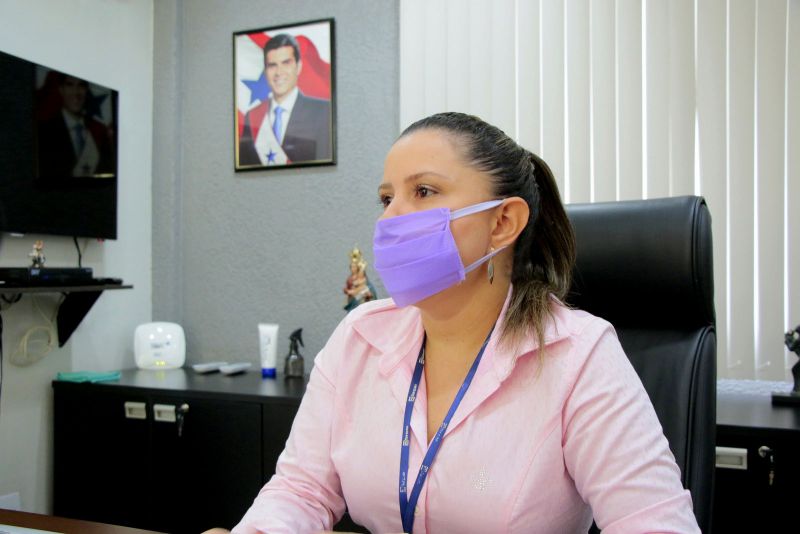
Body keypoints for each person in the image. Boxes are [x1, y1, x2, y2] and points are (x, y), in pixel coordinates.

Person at [225, 112, 700, 533]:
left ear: (502, 223)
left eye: (424, 191)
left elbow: (654, 522)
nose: (391, 217)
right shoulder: (360, 336)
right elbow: (301, 490)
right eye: (386, 197)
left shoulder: (578, 355)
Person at [238, 33, 332, 165]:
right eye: (272, 65)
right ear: (265, 71)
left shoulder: (323, 111)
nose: (278, 72)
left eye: (286, 63)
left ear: (298, 67)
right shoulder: (253, 116)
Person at [36, 74, 115, 178]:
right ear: (61, 89)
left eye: (81, 86)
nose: (76, 92)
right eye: (70, 85)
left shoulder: (99, 130)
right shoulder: (44, 131)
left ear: (86, 90)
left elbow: (107, 173)